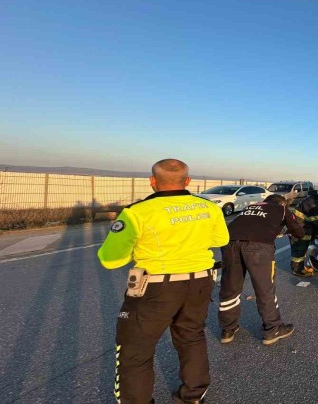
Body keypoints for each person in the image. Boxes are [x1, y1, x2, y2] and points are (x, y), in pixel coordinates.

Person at [97, 159, 229, 404]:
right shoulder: (208, 207)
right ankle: (194, 394)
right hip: (200, 282)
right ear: (188, 181)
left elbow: (110, 260)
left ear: (152, 181)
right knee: (191, 336)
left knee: (135, 351)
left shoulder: (137, 212)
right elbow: (220, 239)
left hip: (156, 288)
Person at [218, 194, 304, 345]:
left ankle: (227, 330)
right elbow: (298, 231)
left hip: (230, 244)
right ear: (282, 204)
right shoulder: (282, 210)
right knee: (265, 289)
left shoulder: (250, 207)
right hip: (258, 248)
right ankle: (273, 330)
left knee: (230, 288)